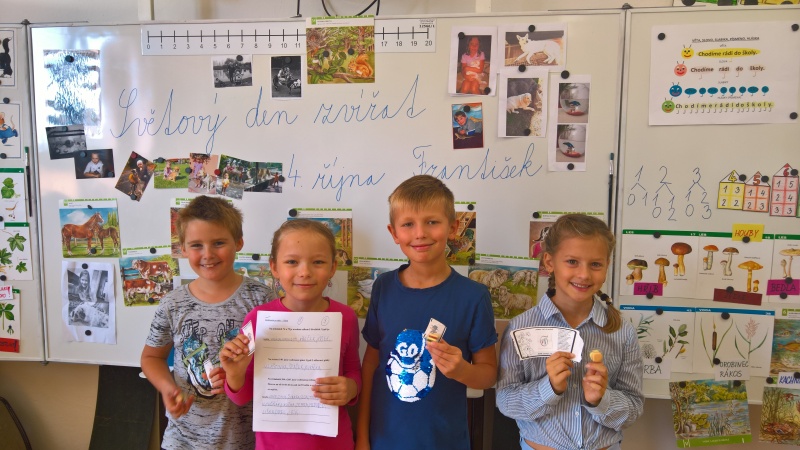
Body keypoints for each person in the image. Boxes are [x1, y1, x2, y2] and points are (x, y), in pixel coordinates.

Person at [356, 175, 497, 449]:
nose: (420, 233)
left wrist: (461, 370)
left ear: (453, 227)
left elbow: (488, 375)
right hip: (384, 440)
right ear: (394, 233)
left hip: (445, 441)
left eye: (432, 222)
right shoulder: (383, 287)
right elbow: (371, 364)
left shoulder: (473, 297)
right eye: (408, 224)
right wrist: (362, 435)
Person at [496, 214, 644, 450]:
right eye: (572, 261)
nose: (584, 274)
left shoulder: (621, 332)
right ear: (549, 262)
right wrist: (549, 388)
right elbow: (505, 401)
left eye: (595, 264)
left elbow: (634, 407)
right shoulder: (521, 328)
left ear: (607, 266)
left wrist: (601, 400)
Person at [141, 195, 275, 450]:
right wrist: (168, 388)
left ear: (239, 242)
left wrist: (238, 374)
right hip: (182, 441)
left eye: (219, 243)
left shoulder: (262, 299)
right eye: (196, 245)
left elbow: (274, 364)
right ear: (182, 248)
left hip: (243, 440)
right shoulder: (172, 303)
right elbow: (151, 358)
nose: (208, 254)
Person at [221, 219, 361, 449]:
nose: (304, 272)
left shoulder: (345, 317)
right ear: (274, 267)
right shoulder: (257, 320)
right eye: (292, 262)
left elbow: (353, 369)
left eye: (318, 262)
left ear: (333, 267)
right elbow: (241, 397)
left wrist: (351, 388)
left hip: (334, 443)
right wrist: (234, 374)